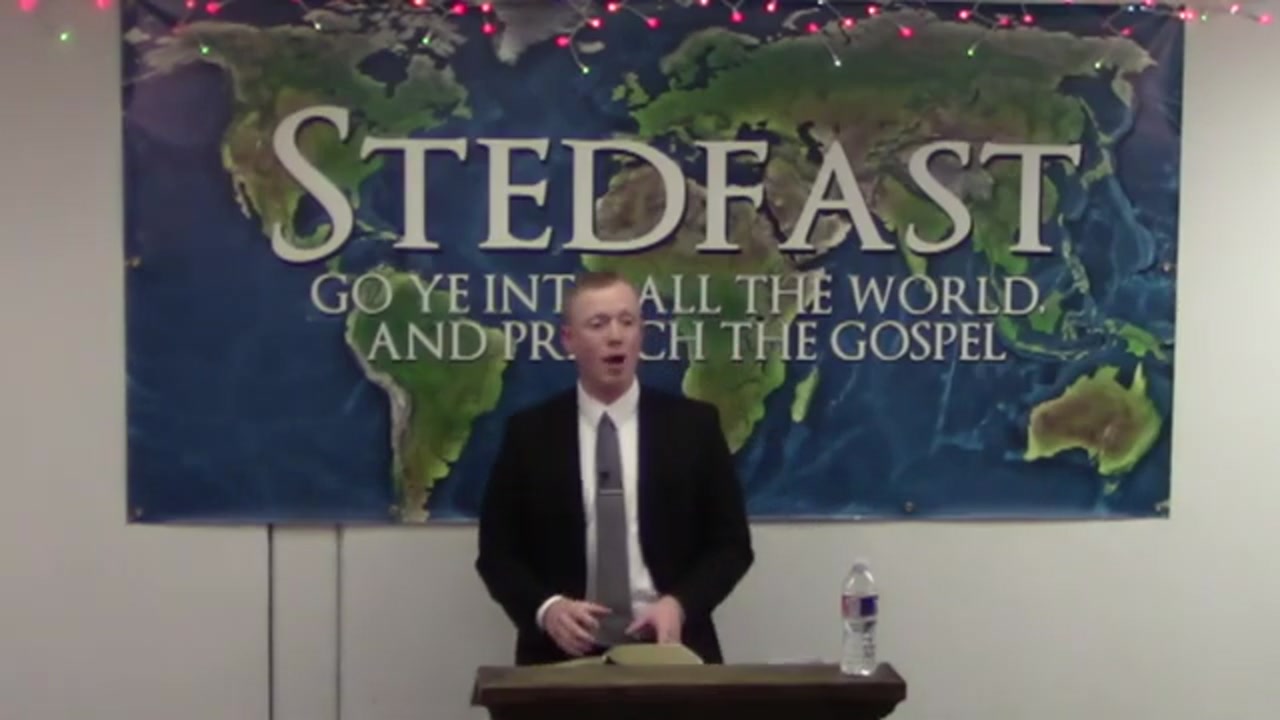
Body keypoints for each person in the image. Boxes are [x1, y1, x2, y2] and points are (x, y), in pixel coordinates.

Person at [475, 271, 754, 666]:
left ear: (642, 333)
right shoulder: (530, 434)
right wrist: (547, 609)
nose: (615, 336)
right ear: (569, 339)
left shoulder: (694, 427)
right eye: (598, 324)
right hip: (560, 658)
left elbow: (731, 545)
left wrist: (680, 604)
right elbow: (497, 553)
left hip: (671, 652)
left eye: (627, 321)